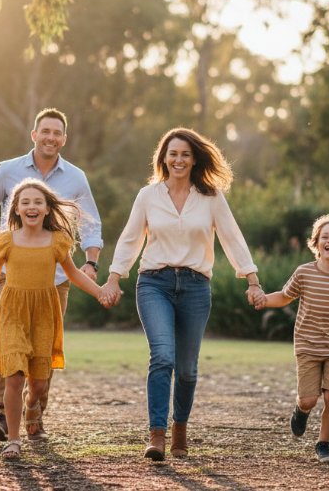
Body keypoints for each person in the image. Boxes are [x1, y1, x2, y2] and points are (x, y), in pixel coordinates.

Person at [101, 127, 262, 461]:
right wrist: (115, 277)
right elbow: (131, 238)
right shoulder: (148, 196)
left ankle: (180, 431)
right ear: (163, 157)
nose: (178, 159)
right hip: (153, 283)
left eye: (185, 154)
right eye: (172, 153)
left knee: (187, 369)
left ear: (194, 159)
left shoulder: (211, 196)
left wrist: (252, 278)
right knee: (162, 356)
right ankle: (156, 435)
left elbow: (232, 236)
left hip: (195, 287)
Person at [0, 108, 103, 443]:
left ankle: (36, 411)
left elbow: (91, 222)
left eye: (57, 133)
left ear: (64, 139)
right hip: (11, 272)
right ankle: (2, 415)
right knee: (11, 346)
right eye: (45, 131)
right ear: (34, 134)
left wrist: (92, 262)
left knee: (44, 348)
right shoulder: (8, 170)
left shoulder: (75, 177)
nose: (50, 137)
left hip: (56, 278)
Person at [0, 179, 112, 460]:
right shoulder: (6, 240)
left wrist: (100, 292)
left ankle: (33, 405)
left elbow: (74, 274)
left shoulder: (57, 241)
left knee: (39, 383)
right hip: (11, 312)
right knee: (14, 375)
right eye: (25, 202)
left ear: (46, 209)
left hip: (44, 312)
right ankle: (14, 440)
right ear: (16, 209)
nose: (31, 206)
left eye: (37, 202)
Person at [251, 213, 329, 463]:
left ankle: (324, 443)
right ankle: (301, 410)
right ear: (316, 243)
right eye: (325, 237)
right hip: (308, 345)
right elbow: (286, 296)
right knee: (309, 399)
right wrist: (265, 299)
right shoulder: (304, 273)